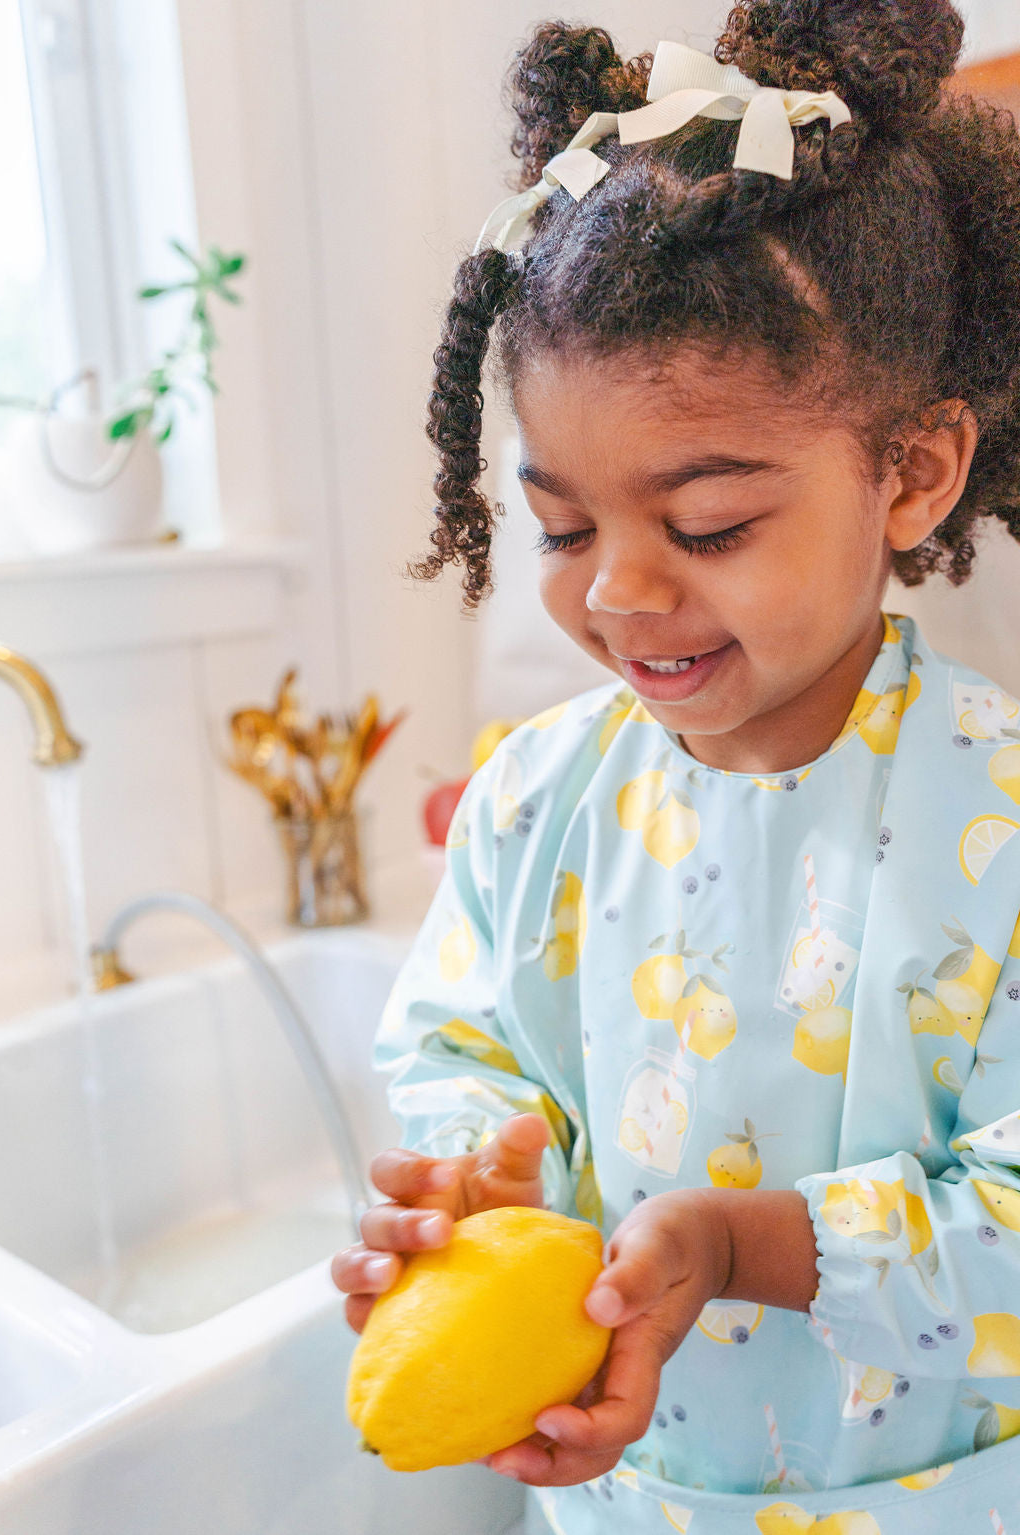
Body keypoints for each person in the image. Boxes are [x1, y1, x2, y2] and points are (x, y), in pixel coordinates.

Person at [331, 3, 1020, 1529]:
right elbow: (459, 1051)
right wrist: (478, 1178)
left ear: (913, 473)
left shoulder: (1000, 815)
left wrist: (736, 1245)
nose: (619, 591)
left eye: (707, 527)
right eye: (563, 528)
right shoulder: (532, 800)